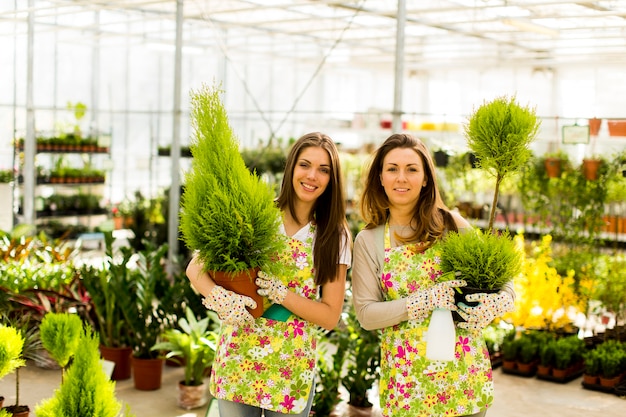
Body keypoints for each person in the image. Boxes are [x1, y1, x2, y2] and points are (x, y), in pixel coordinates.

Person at [186, 132, 352, 417]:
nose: (312, 176)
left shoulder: (334, 236)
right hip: (240, 353)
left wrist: (281, 295)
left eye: (323, 170)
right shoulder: (256, 214)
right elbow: (195, 269)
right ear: (291, 167)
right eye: (305, 164)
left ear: (332, 179)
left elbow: (329, 315)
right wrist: (219, 297)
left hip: (291, 364)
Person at [351, 133, 515, 417]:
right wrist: (424, 300)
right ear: (380, 177)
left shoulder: (452, 224)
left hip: (463, 378)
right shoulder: (369, 240)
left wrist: (502, 301)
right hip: (408, 386)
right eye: (392, 169)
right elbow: (366, 315)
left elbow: (501, 276)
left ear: (426, 178)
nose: (401, 178)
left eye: (412, 169)